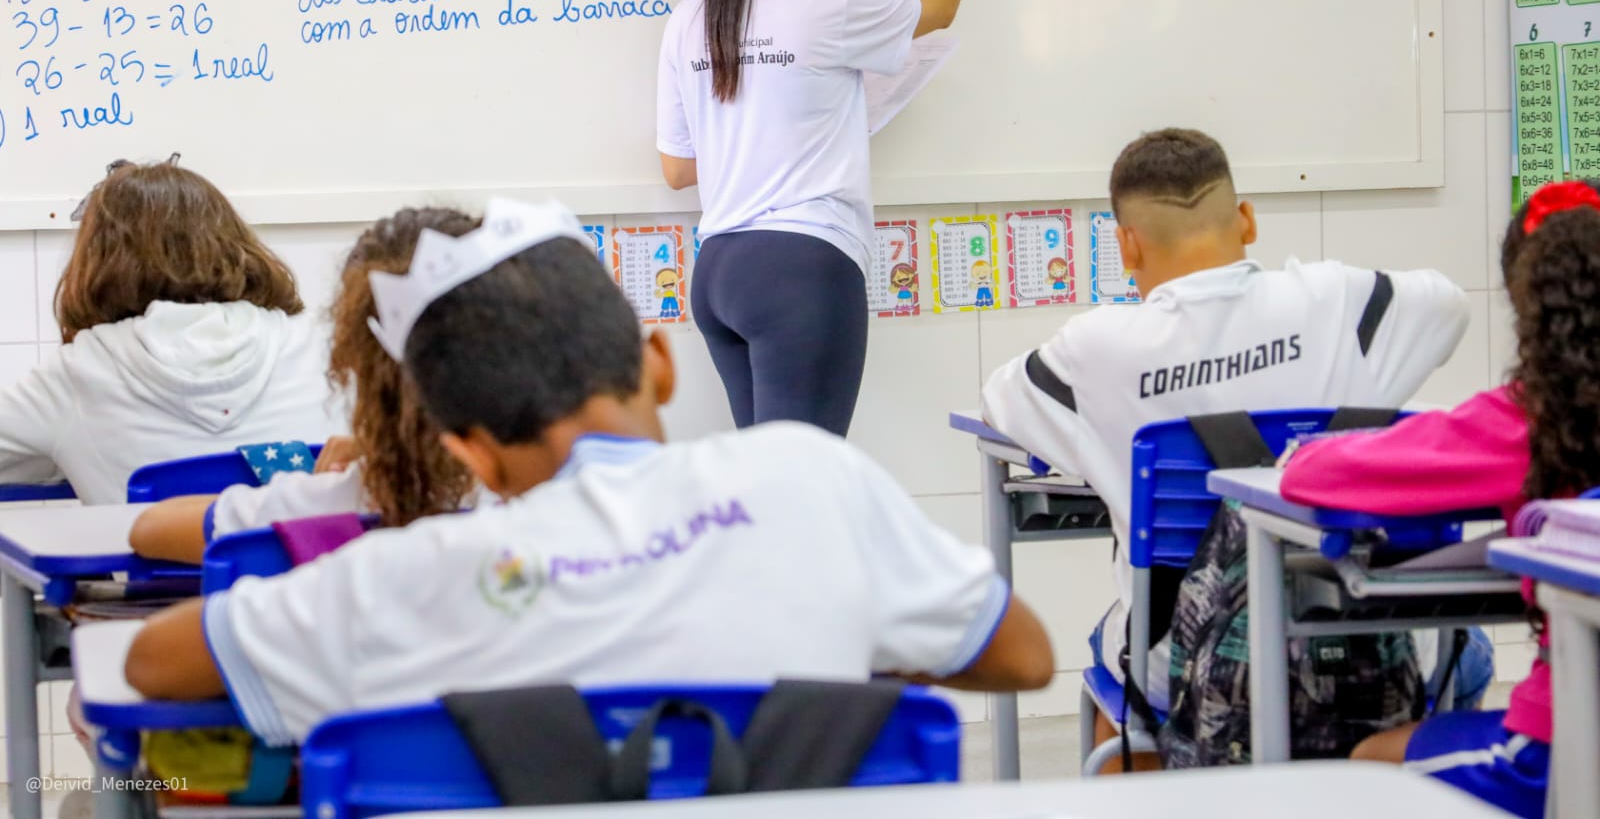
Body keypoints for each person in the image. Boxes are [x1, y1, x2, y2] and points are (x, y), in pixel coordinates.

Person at [125, 199, 1054, 744]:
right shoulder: (812, 479)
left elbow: (151, 663)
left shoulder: (405, 578)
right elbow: (1022, 654)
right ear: (659, 360)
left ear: (469, 448)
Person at [981, 128, 1471, 762]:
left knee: (1114, 674)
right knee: (1469, 653)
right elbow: (1450, 307)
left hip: (1186, 655)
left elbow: (1000, 401)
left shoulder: (1096, 351)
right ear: (1246, 220)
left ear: (1127, 244)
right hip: (1369, 639)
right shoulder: (1346, 302)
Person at [1279, 180, 1600, 819]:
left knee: (1372, 760)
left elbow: (1312, 474)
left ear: (1528, 308)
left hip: (1565, 749)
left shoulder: (1525, 422)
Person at [657, 0, 990, 436]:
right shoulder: (828, 4)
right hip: (801, 267)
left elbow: (678, 168)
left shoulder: (688, 18)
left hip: (718, 273)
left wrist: (764, 132)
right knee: (806, 484)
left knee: (769, 482)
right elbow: (939, 9)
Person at [128, 208, 484, 564]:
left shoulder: (335, 500)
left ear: (353, 361)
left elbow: (149, 528)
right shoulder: (522, 493)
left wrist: (389, 448)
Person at [0, 160, 342, 504]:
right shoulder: (324, 346)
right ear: (235, 241)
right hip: (311, 556)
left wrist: (72, 445)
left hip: (148, 555)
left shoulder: (79, 374)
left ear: (96, 261)